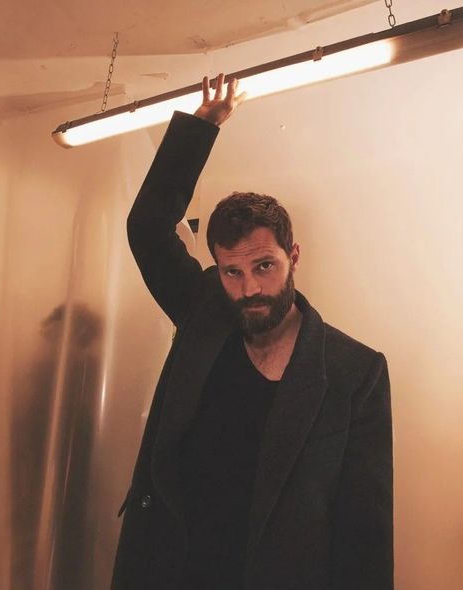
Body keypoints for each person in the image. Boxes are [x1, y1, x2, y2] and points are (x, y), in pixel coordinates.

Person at [111, 74, 393, 590]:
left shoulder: (355, 372)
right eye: (232, 272)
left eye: (264, 266)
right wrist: (201, 128)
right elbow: (147, 228)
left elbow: (364, 536)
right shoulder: (205, 312)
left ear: (293, 257)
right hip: (170, 572)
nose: (249, 289)